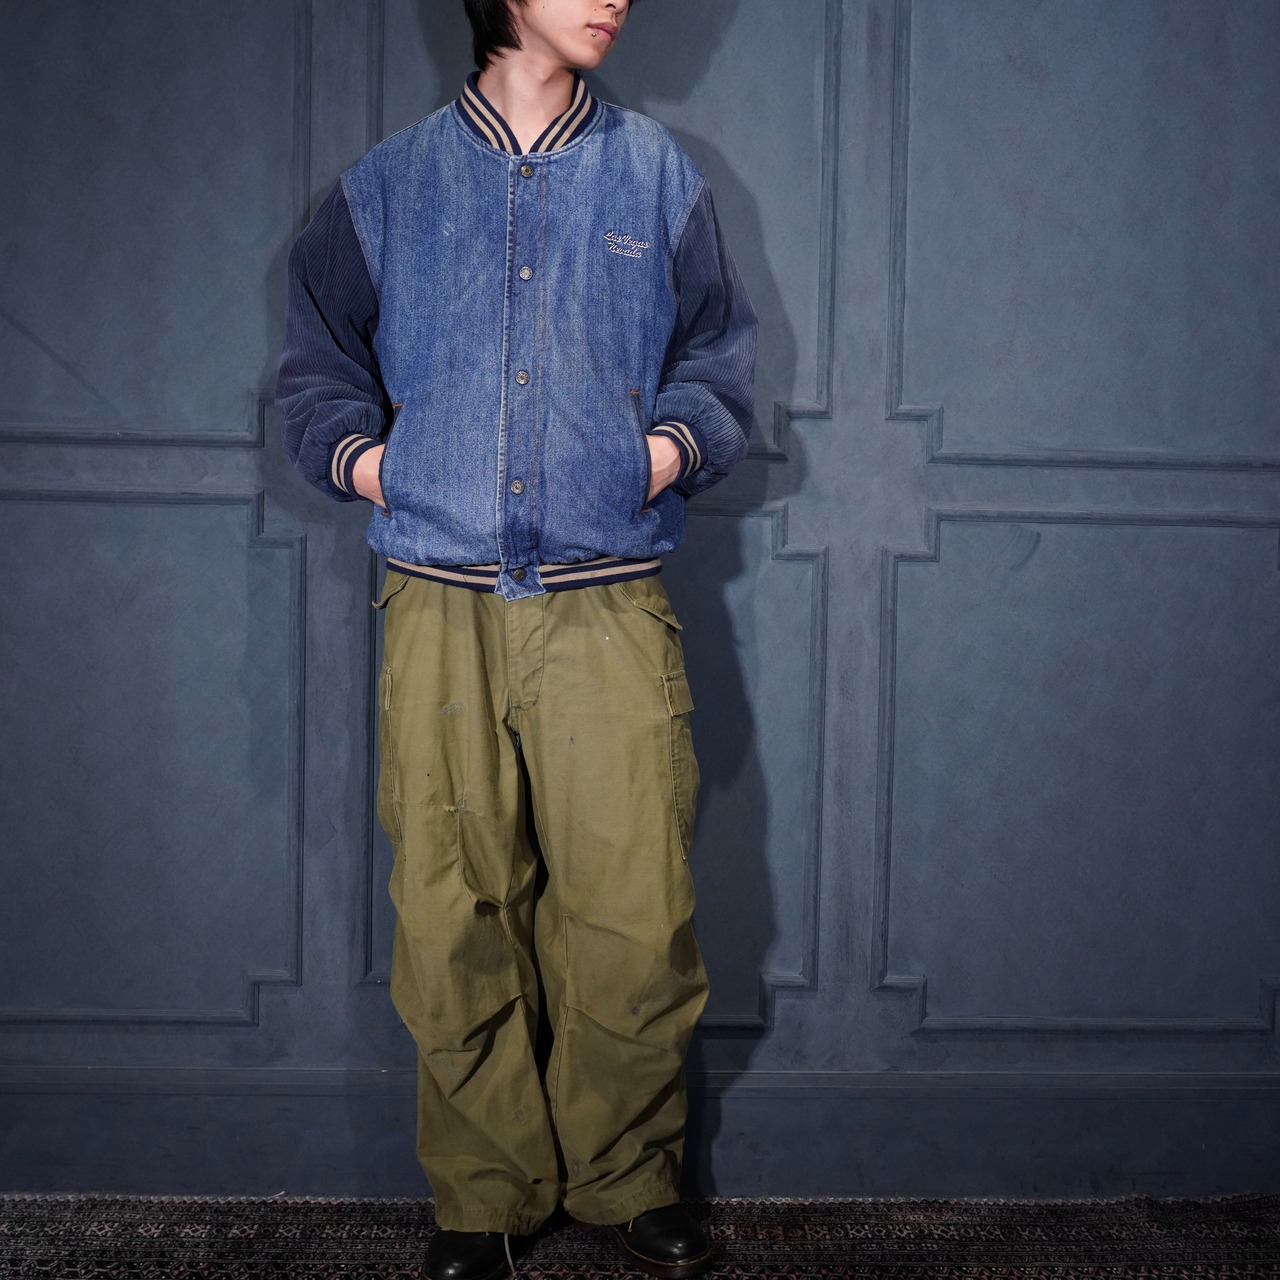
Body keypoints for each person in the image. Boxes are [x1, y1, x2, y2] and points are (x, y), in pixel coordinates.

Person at [277, 1, 756, 1276]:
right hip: (436, 601)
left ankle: (626, 1176)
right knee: (453, 906)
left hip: (608, 599)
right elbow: (315, 367)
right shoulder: (387, 187)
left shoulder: (657, 179)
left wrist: (661, 452)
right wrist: (377, 465)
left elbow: (717, 354)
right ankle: (483, 1194)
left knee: (631, 910)